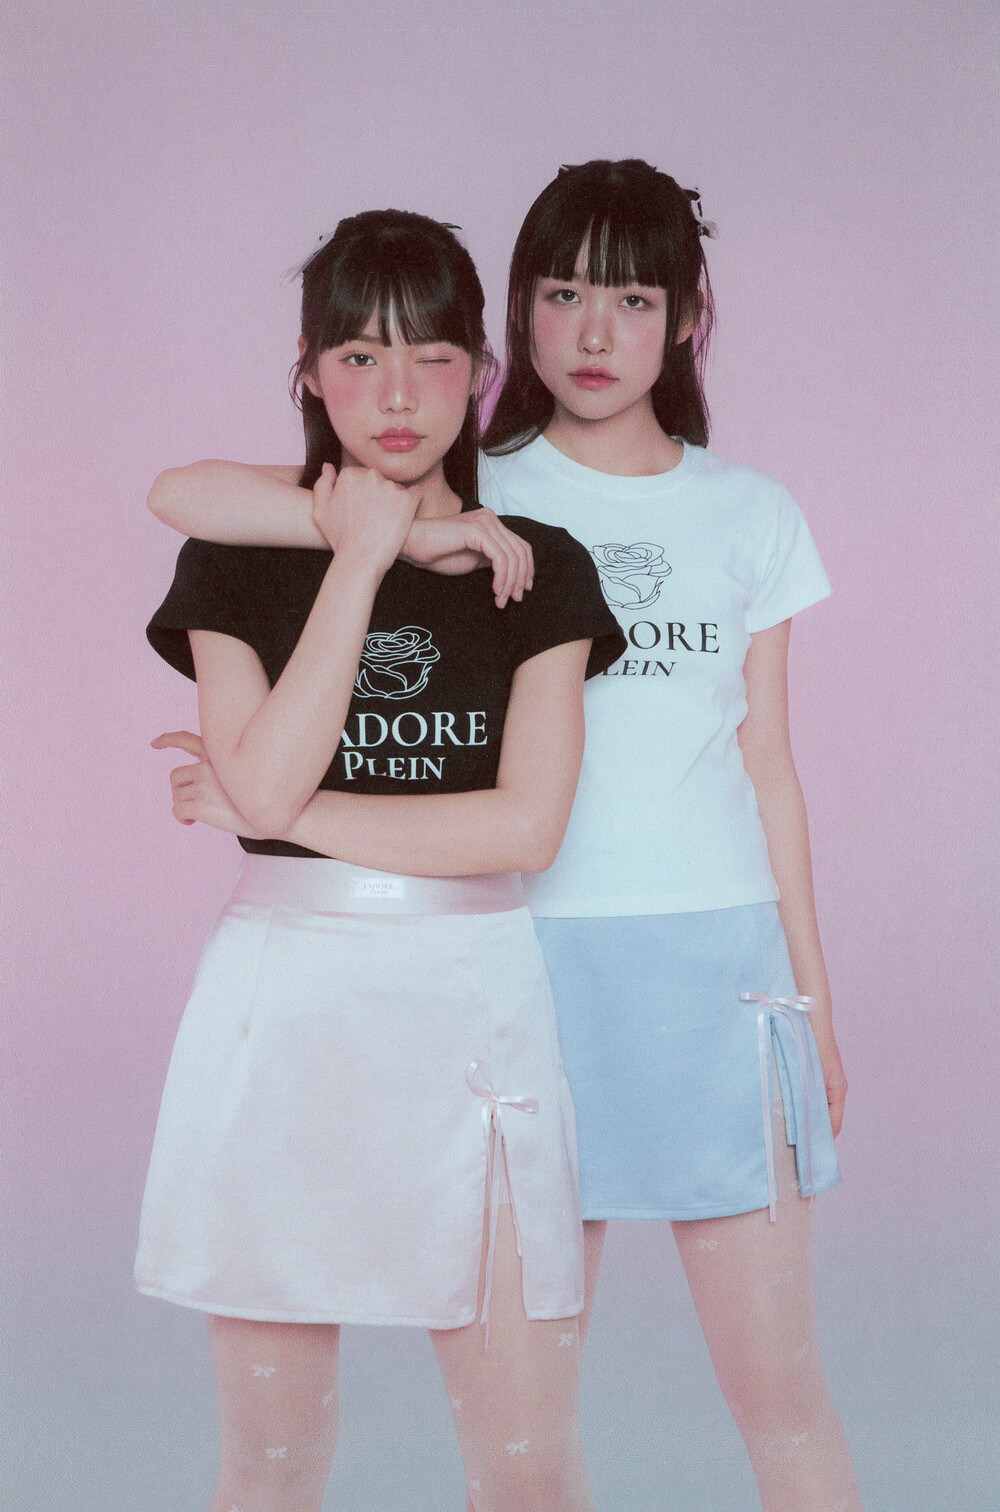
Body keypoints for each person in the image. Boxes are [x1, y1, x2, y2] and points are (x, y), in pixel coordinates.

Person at [148, 163, 864, 1512]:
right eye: (563, 292)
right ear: (513, 325)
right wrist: (400, 537)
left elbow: (756, 770)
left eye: (635, 299)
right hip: (491, 967)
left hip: (656, 963)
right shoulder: (453, 494)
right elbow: (188, 493)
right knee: (445, 1433)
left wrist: (813, 1004)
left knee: (724, 1400)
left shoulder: (687, 522)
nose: (595, 331)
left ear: (686, 319)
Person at [137, 206, 625, 1512]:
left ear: (482, 371)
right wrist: (370, 550)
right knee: (269, 1471)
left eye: (431, 357)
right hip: (284, 1008)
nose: (396, 395)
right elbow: (267, 774)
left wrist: (273, 811)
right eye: (357, 357)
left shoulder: (541, 570)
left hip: (475, 1005)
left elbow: (523, 830)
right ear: (309, 372)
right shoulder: (234, 558)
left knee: (529, 1471)